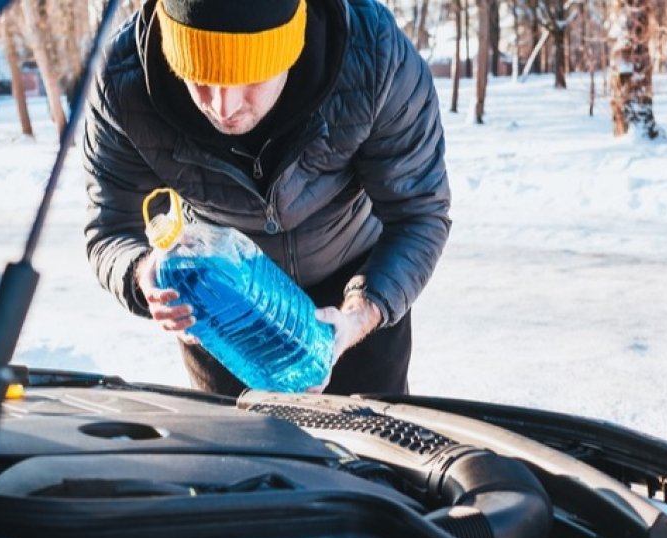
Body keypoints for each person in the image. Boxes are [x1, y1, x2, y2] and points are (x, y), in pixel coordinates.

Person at [84, 0, 450, 396]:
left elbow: (419, 213)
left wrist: (362, 313)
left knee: (366, 452)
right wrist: (143, 274)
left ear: (291, 48)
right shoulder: (123, 83)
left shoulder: (373, 55)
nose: (224, 108)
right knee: (239, 456)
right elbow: (110, 227)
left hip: (358, 292)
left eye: (252, 78)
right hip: (220, 307)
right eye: (199, 79)